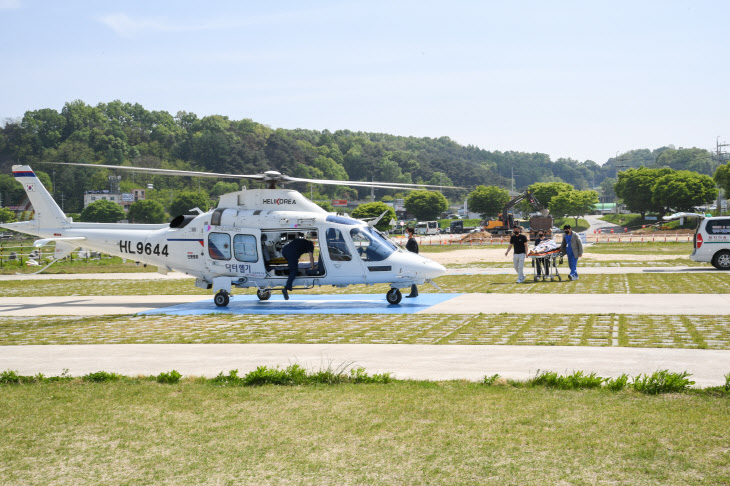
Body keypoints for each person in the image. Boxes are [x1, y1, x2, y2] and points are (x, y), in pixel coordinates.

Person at [404, 227, 419, 297]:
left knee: (412, 276)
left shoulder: (412, 241)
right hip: (410, 261)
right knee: (411, 276)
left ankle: (414, 292)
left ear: (410, 233)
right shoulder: (410, 240)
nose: (406, 234)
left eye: (407, 232)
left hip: (412, 261)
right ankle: (414, 292)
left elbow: (413, 252)